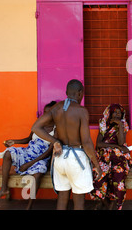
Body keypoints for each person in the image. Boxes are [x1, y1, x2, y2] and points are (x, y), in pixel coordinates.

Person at [31, 79, 101, 210]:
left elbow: (35, 127)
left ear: (66, 92)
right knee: (79, 202)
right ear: (80, 93)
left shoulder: (56, 108)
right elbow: (86, 142)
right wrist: (96, 165)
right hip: (76, 159)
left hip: (59, 158)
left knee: (62, 198)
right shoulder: (81, 111)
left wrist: (55, 142)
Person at [0, 101, 57, 210]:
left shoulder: (56, 129)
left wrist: (29, 164)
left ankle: (29, 206)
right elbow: (28, 139)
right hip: (28, 152)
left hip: (41, 158)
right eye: (44, 113)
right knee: (9, 152)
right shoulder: (38, 124)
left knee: (38, 172)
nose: (44, 116)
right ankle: (4, 188)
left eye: (48, 113)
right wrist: (14, 141)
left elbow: (49, 152)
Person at [90, 104, 132, 210]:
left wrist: (119, 125)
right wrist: (114, 146)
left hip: (118, 156)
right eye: (115, 112)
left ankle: (114, 203)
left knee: (118, 175)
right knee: (98, 176)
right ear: (110, 113)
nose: (117, 114)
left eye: (119, 113)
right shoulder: (104, 124)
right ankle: (105, 203)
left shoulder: (123, 124)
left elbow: (121, 142)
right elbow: (99, 144)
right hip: (104, 155)